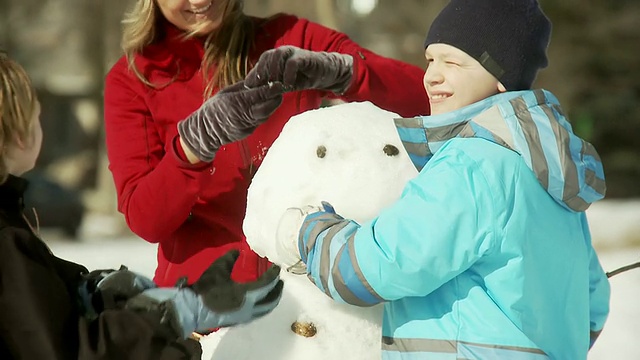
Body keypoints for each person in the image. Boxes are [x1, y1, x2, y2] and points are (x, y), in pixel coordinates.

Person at [273, 0, 611, 358]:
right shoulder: (546, 168)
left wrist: (311, 232)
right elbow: (594, 301)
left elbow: (379, 265)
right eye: (431, 59)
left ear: (502, 76)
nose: (431, 75)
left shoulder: (474, 163)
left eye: (453, 62)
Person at [103, 0, 430, 288]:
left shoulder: (289, 38)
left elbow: (426, 98)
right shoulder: (133, 80)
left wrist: (344, 73)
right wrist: (194, 144)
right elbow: (146, 219)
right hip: (207, 305)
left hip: (307, 300)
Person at [0, 52, 284, 360]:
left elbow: (37, 315)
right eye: (36, 116)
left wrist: (95, 292)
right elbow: (71, 351)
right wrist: (171, 315)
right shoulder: (7, 242)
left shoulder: (9, 220)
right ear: (20, 136)